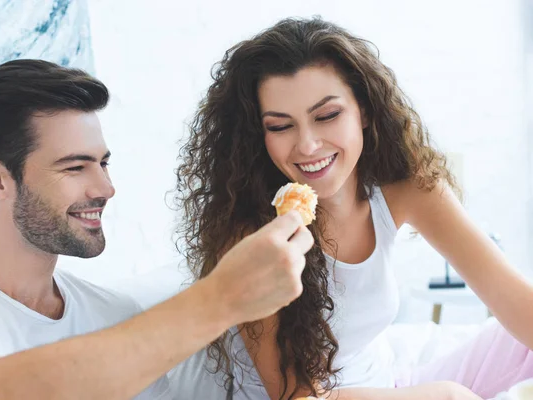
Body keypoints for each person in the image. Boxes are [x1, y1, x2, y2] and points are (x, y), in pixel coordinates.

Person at [174, 17, 533, 399]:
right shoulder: (253, 231)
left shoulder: (406, 187)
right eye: (281, 126)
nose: (308, 145)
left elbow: (510, 297)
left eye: (327, 116)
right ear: (258, 135)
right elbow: (297, 396)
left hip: (388, 383)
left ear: (363, 110)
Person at [0, 59, 314, 400]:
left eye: (103, 163)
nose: (105, 188)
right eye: (75, 167)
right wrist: (223, 297)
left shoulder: (112, 314)